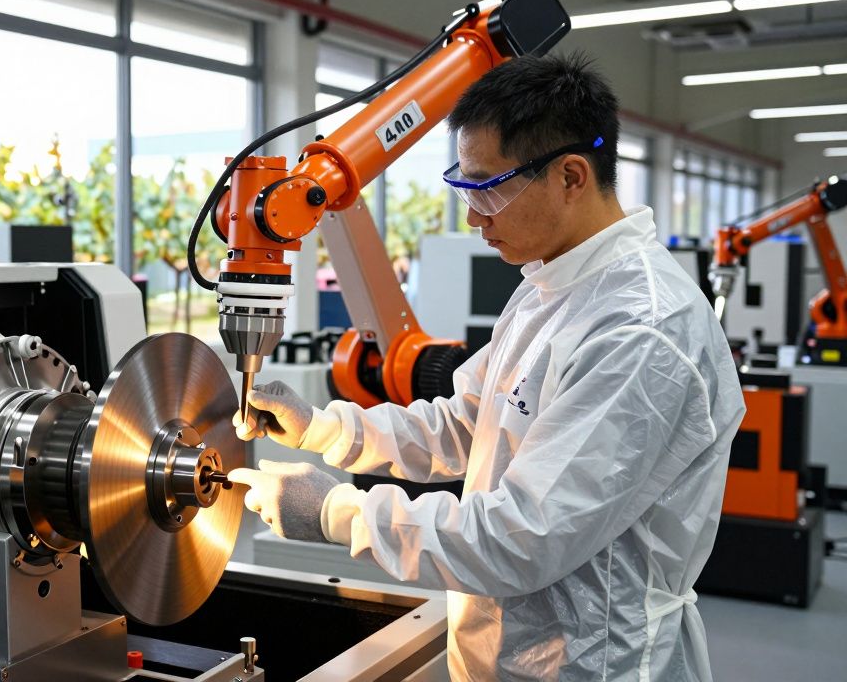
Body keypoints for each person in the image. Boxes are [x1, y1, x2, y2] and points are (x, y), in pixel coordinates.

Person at [228, 52, 745, 681]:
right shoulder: (545, 287)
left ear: (571, 176)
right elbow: (464, 426)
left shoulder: (643, 331)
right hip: (506, 653)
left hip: (594, 664)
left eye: (488, 188)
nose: (473, 217)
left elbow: (525, 536)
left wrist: (338, 512)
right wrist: (324, 429)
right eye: (464, 187)